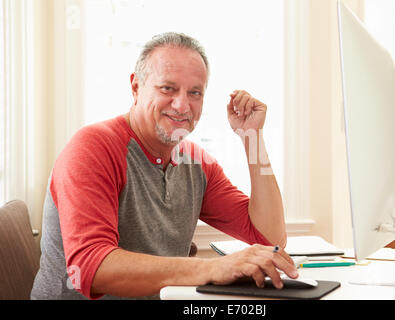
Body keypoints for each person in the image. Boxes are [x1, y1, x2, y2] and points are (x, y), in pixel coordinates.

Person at [31, 32, 298, 300]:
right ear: (136, 87)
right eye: (167, 88)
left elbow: (270, 239)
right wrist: (214, 268)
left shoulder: (197, 163)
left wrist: (252, 139)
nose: (182, 105)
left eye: (195, 92)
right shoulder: (92, 148)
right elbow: (91, 268)